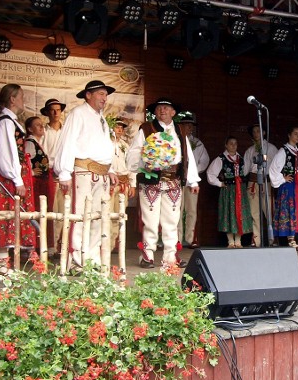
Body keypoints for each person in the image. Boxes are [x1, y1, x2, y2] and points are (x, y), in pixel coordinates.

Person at [126, 97, 200, 269]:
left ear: (173, 112)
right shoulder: (146, 128)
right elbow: (134, 153)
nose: (163, 111)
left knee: (172, 220)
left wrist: (193, 180)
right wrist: (146, 164)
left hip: (174, 181)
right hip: (151, 180)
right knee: (150, 220)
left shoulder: (180, 130)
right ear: (155, 112)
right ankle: (147, 255)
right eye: (159, 108)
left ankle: (170, 256)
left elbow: (187, 155)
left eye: (167, 108)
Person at [53, 80, 118, 268]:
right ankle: (76, 258)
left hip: (101, 174)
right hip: (83, 172)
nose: (104, 98)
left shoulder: (101, 118)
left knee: (98, 216)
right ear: (88, 95)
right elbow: (68, 142)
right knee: (80, 214)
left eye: (105, 95)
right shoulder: (78, 114)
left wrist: (111, 169)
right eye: (100, 94)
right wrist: (64, 172)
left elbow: (103, 147)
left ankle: (92, 258)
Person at [0, 83, 36, 264]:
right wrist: (17, 179)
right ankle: (3, 261)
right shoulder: (5, 122)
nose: (23, 100)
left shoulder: (11, 121)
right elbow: (7, 153)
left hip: (18, 174)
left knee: (16, 213)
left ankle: (13, 258)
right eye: (21, 97)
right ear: (12, 99)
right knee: (6, 214)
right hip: (10, 177)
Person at [269, 126, 298, 250]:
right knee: (290, 210)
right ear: (289, 135)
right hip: (289, 187)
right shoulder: (283, 151)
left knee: (297, 210)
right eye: (295, 134)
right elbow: (273, 169)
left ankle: (294, 238)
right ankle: (290, 240)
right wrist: (283, 178)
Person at [206, 135, 252, 248]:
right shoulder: (221, 159)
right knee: (229, 213)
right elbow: (210, 174)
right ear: (226, 145)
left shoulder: (240, 159)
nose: (233, 146)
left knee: (239, 213)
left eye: (235, 144)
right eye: (231, 143)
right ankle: (230, 242)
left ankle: (238, 241)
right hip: (228, 191)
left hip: (240, 190)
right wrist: (220, 183)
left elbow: (245, 172)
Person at [177, 112, 210, 248]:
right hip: (178, 180)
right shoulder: (176, 140)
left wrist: (195, 171)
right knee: (177, 210)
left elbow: (205, 160)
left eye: (190, 126)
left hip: (191, 181)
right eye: (186, 125)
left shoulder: (197, 143)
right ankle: (177, 239)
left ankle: (191, 239)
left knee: (191, 210)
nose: (189, 128)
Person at [243, 124, 278, 247]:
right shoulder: (250, 150)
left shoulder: (271, 148)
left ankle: (272, 239)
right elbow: (245, 170)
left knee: (269, 211)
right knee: (254, 212)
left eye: (258, 131)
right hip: (253, 182)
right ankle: (256, 239)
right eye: (254, 131)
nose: (256, 133)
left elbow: (276, 166)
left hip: (266, 181)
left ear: (263, 133)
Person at [39, 98, 65, 251]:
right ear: (47, 113)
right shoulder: (44, 132)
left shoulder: (66, 131)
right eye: (52, 110)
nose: (56, 113)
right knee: (51, 211)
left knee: (64, 211)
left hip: (65, 175)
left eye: (58, 110)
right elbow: (42, 154)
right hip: (49, 174)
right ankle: (51, 246)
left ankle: (63, 245)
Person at [109, 118, 136, 252]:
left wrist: (132, 184)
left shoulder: (125, 145)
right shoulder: (105, 143)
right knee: (107, 213)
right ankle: (105, 245)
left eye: (121, 127)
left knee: (120, 214)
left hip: (124, 183)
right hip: (109, 183)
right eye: (117, 127)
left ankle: (114, 244)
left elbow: (132, 166)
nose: (119, 130)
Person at [24, 115, 50, 204]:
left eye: (42, 124)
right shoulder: (30, 143)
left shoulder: (37, 143)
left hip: (42, 182)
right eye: (37, 125)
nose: (41, 126)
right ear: (30, 129)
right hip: (35, 182)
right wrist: (31, 172)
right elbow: (25, 161)